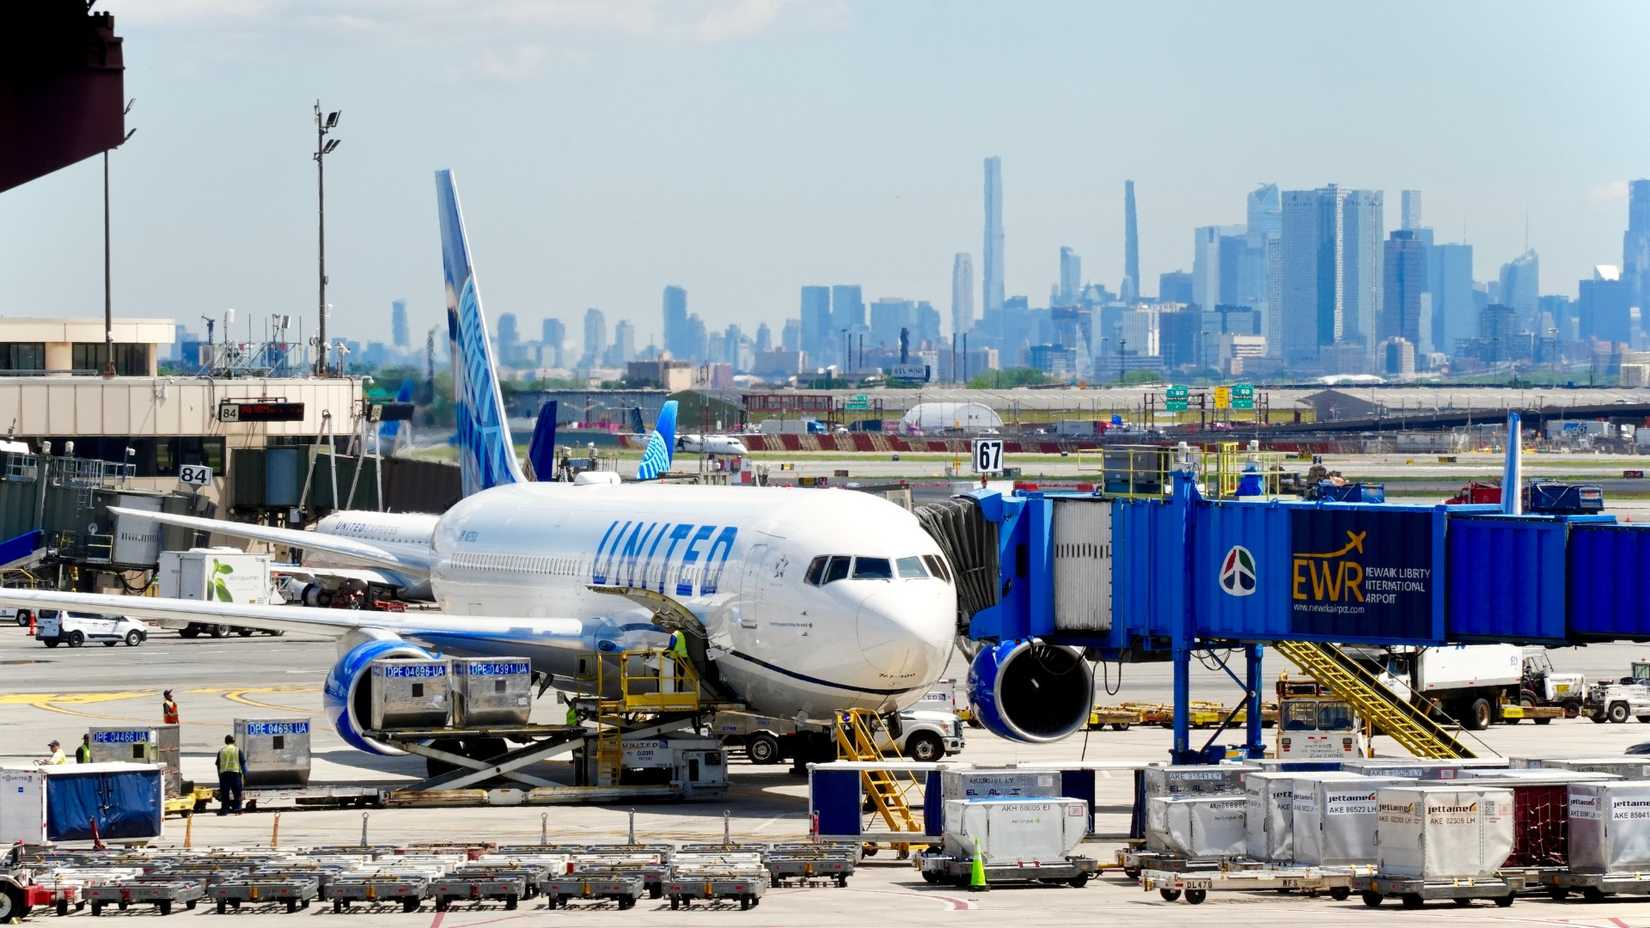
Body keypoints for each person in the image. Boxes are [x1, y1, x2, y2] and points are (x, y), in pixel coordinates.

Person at [215, 734, 243, 815]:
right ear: (233, 741)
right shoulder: (237, 750)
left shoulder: (222, 750)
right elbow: (243, 762)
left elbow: (218, 764)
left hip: (224, 775)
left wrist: (220, 776)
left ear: (225, 742)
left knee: (225, 794)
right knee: (237, 793)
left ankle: (224, 811)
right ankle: (238, 810)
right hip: (235, 774)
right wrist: (245, 774)